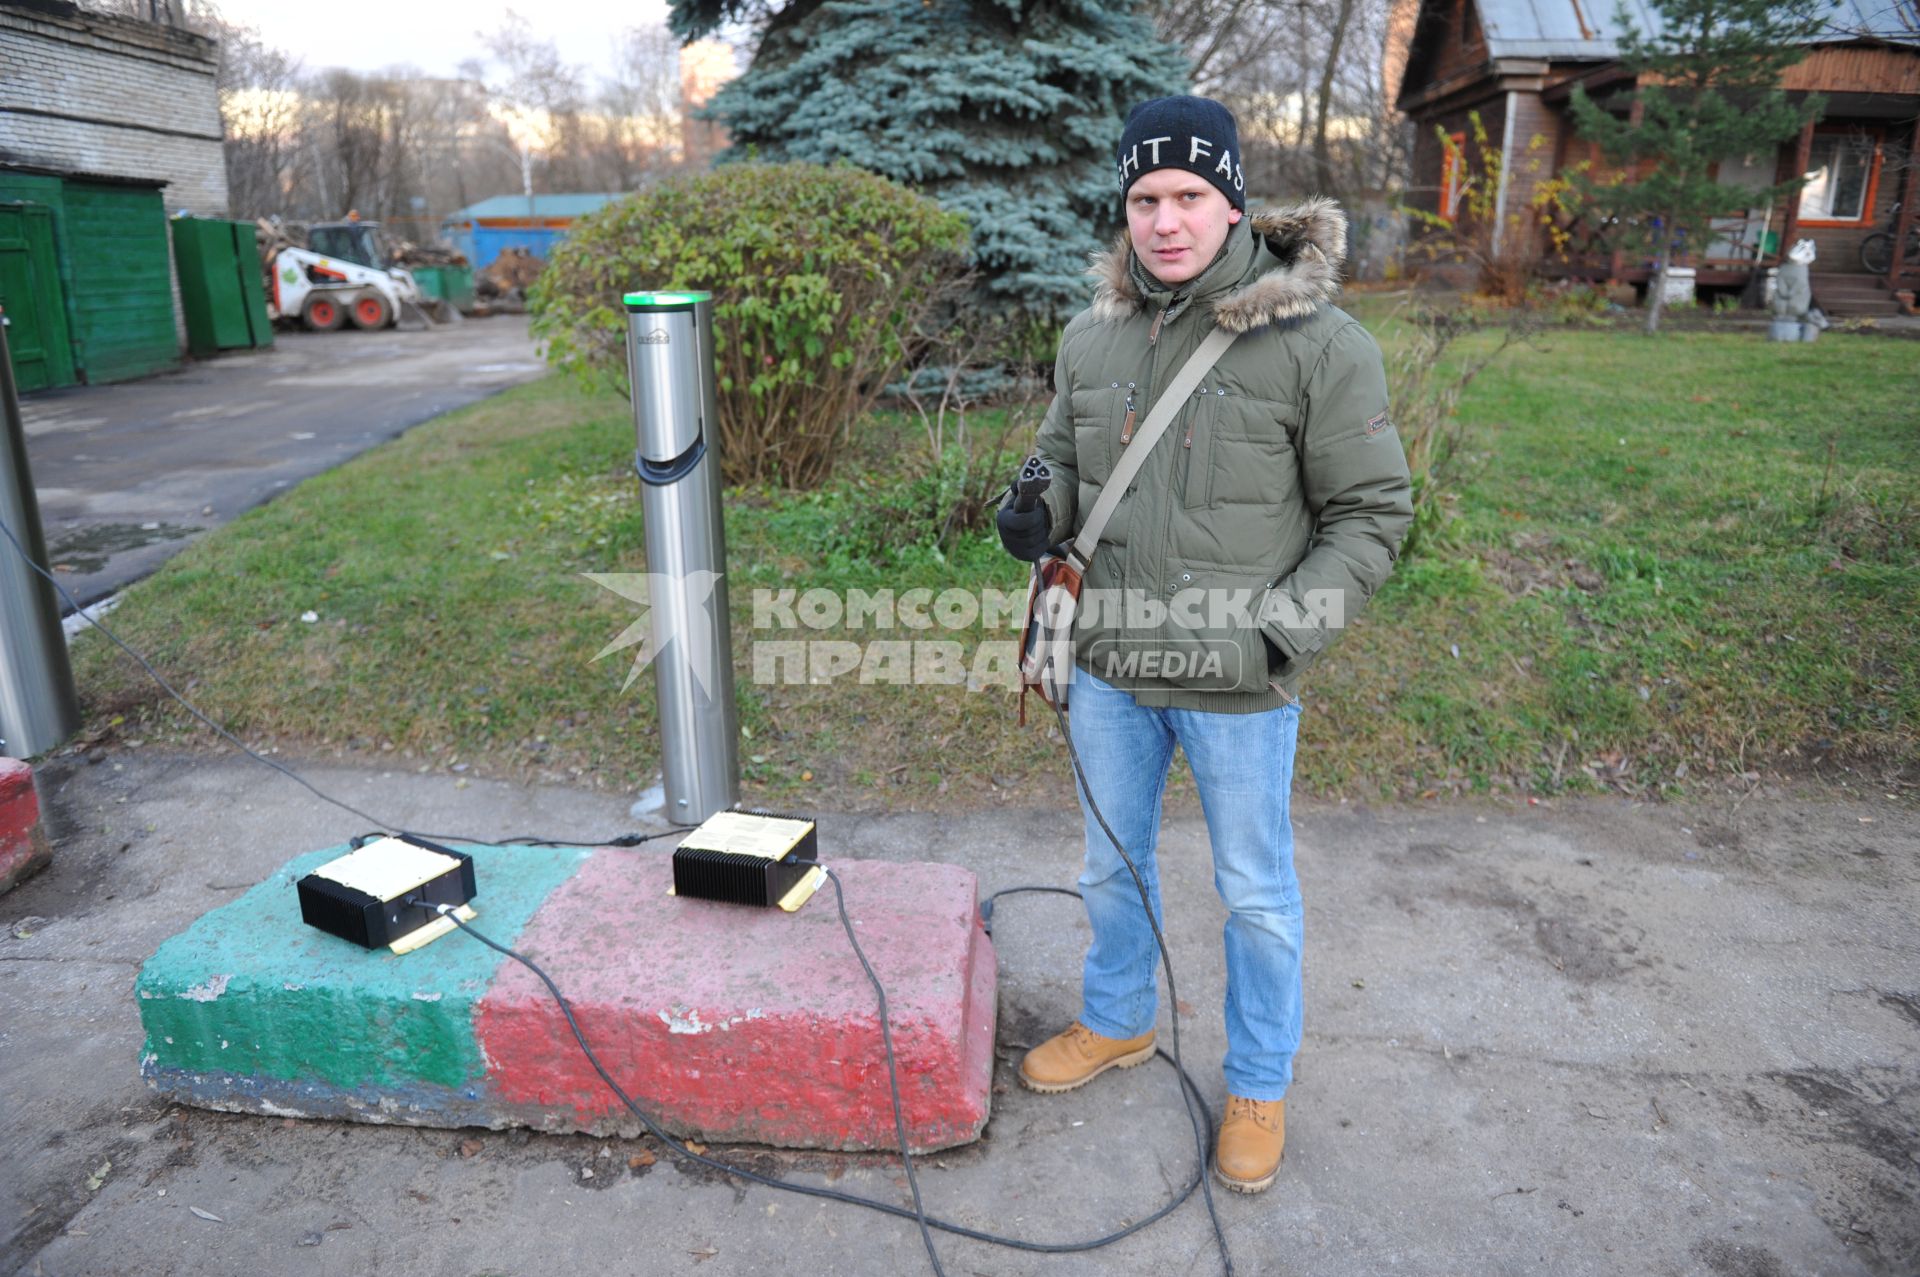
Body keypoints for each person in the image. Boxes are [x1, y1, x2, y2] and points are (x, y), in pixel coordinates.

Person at [996, 94, 1412, 1194]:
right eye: (1145, 198)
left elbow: (1372, 515)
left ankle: (1261, 1079)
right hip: (1111, 672)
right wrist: (1029, 506)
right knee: (1110, 864)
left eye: (1189, 195)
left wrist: (1281, 636)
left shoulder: (1319, 343)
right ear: (1124, 208)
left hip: (1238, 678)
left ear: (1234, 203)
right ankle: (1120, 1017)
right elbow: (1057, 459)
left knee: (1255, 890)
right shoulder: (1091, 335)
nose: (1166, 220)